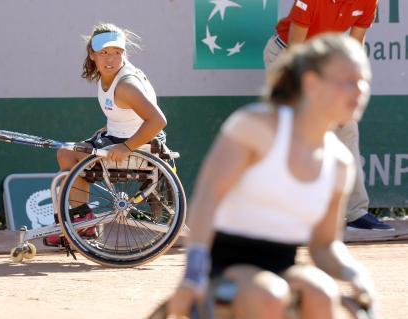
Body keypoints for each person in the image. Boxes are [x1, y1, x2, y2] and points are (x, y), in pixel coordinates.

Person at [167, 34, 376, 318]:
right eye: (347, 81)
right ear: (311, 83)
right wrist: (193, 274)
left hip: (283, 266)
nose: (359, 90)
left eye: (363, 81)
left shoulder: (340, 163)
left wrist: (354, 274)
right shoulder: (256, 127)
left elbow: (325, 245)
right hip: (223, 266)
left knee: (322, 294)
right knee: (269, 296)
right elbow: (207, 199)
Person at [263, 0, 393, 231]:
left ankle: (356, 213)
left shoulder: (369, 2)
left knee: (347, 128)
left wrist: (345, 95)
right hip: (287, 57)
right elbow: (296, 53)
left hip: (324, 63)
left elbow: (353, 49)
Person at [44, 22, 167, 246]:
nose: (111, 59)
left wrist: (126, 146)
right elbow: (124, 117)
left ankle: (81, 223)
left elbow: (158, 121)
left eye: (117, 53)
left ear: (123, 53)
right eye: (104, 53)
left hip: (136, 146)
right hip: (116, 138)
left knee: (73, 155)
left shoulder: (126, 85)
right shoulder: (107, 77)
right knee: (65, 154)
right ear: (92, 54)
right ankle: (83, 221)